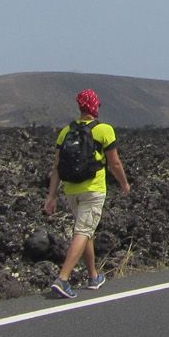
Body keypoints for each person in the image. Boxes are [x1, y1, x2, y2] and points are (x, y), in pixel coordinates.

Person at [44, 88, 130, 299]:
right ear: (95, 106)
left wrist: (52, 195)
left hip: (70, 189)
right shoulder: (104, 130)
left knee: (86, 231)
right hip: (93, 189)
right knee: (83, 231)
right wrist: (124, 184)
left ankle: (93, 276)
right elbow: (115, 163)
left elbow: (55, 167)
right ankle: (63, 279)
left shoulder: (66, 132)